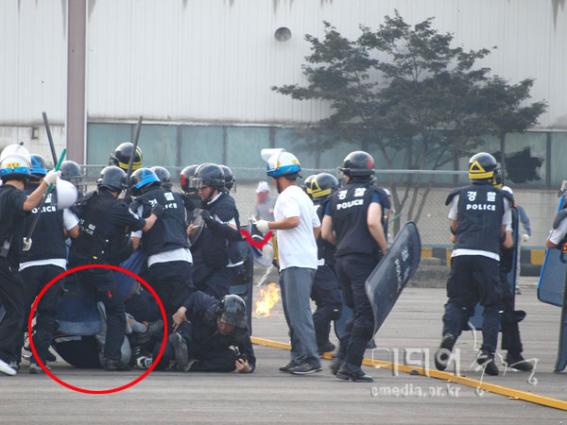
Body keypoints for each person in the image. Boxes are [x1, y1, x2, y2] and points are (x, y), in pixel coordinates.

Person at [68, 166, 158, 371]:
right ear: (119, 187)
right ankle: (112, 358)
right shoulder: (118, 209)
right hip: (99, 268)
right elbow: (143, 225)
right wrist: (155, 214)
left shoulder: (89, 199)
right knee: (116, 310)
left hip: (76, 266)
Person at [435, 152, 513, 376]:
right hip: (488, 257)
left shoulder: (460, 195)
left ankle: (449, 335)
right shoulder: (503, 198)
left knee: (457, 301)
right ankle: (487, 354)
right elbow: (505, 238)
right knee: (491, 306)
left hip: (461, 255)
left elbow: (454, 226)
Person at [322, 151, 388, 382]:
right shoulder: (375, 193)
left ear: (348, 173)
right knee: (366, 316)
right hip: (363, 261)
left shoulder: (335, 197)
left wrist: (342, 244)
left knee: (356, 312)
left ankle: (341, 358)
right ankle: (351, 366)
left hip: (341, 260)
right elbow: (372, 221)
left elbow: (325, 232)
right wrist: (385, 248)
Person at [255, 150, 322, 375]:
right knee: (293, 311)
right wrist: (305, 245)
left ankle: (310, 359)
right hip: (302, 260)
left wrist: (267, 225)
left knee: (298, 312)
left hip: (295, 262)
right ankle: (298, 357)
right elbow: (316, 227)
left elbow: (292, 220)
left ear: (277, 177)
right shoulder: (303, 195)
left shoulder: (286, 196)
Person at [0, 144, 60, 376]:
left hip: (6, 258)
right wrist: (47, 182)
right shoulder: (14, 195)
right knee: (17, 309)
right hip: (4, 263)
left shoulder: (2, 195)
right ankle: (4, 355)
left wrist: (18, 243)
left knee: (11, 308)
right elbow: (27, 204)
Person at [18, 155, 80, 374]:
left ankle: (12, 358)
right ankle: (39, 359)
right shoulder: (58, 197)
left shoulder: (19, 197)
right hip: (56, 262)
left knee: (21, 311)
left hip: (27, 263)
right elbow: (75, 231)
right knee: (47, 311)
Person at [128, 168, 195, 359]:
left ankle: (161, 351)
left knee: (162, 309)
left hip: (158, 262)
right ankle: (184, 344)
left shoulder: (141, 203)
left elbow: (135, 241)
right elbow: (185, 227)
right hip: (184, 258)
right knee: (183, 307)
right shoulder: (179, 199)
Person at [188, 163, 243, 299]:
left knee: (210, 303)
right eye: (198, 188)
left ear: (215, 187)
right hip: (209, 263)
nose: (199, 191)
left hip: (224, 266)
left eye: (204, 188)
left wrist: (211, 222)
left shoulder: (225, 205)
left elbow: (235, 233)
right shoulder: (206, 203)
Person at [167, 292, 255, 373]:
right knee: (164, 352)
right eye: (222, 322)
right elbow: (196, 296)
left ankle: (190, 366)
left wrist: (247, 368)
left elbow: (250, 358)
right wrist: (182, 309)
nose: (224, 328)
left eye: (229, 326)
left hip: (209, 351)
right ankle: (179, 344)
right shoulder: (210, 307)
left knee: (230, 361)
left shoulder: (241, 331)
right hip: (191, 340)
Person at [305, 172, 342, 354]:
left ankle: (321, 342)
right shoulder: (328, 208)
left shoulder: (310, 207)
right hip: (321, 264)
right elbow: (328, 234)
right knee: (333, 304)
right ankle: (305, 336)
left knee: (323, 303)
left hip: (311, 264)